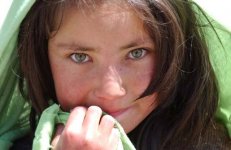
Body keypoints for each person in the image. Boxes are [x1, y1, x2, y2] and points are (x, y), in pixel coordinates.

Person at [15, 0, 231, 149]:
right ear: (42, 59)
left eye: (137, 53)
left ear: (176, 53)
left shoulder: (207, 144)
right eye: (79, 57)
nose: (111, 91)